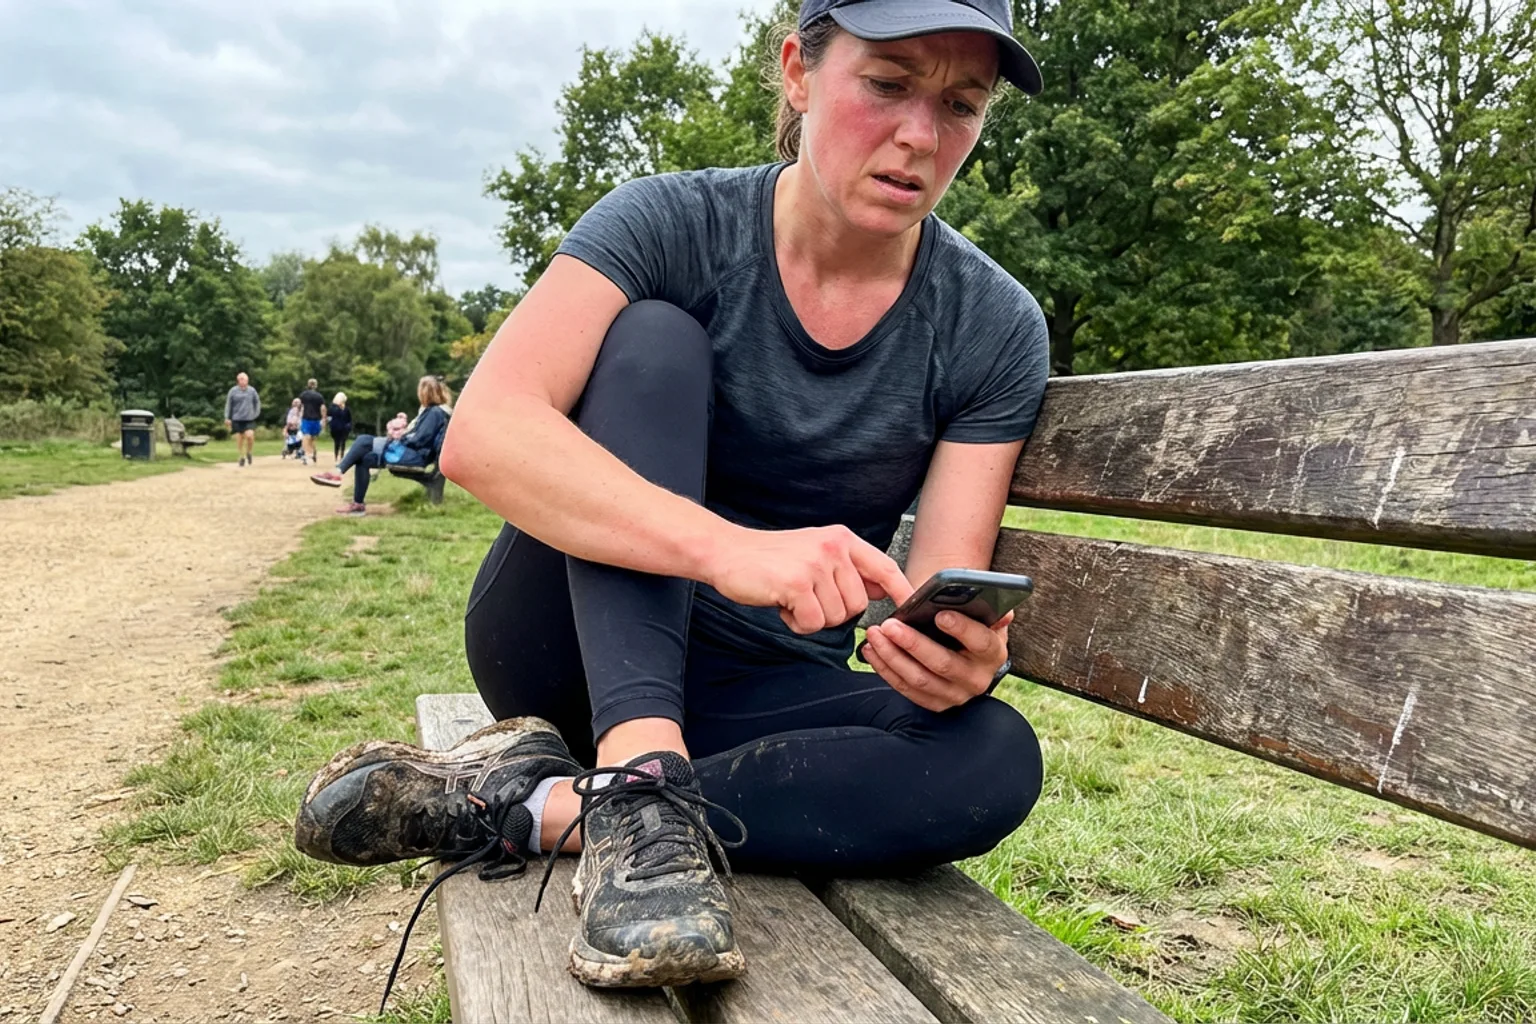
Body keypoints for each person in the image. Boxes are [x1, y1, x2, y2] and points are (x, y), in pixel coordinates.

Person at [296, 0, 1048, 998]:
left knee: (994, 755)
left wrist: (949, 659)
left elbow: (921, 597)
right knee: (652, 338)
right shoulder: (669, 221)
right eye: (887, 82)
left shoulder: (992, 325)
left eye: (962, 103)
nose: (921, 134)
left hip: (752, 687)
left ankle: (534, 806)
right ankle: (639, 767)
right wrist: (726, 550)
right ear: (797, 70)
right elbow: (486, 434)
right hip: (563, 639)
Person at [308, 376, 452, 515]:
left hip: (412, 455)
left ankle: (336, 473)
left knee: (363, 439)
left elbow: (420, 439)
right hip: (410, 452)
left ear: (426, 393)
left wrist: (400, 440)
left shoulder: (434, 413)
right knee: (363, 459)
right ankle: (357, 504)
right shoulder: (434, 412)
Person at [223, 372, 261, 467]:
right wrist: (227, 417)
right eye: (242, 379)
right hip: (237, 417)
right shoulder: (233, 391)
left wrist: (256, 413)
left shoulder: (252, 390)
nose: (244, 381)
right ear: (238, 380)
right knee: (240, 437)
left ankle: (249, 452)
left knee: (250, 436)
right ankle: (241, 456)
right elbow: (228, 404)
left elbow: (257, 402)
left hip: (249, 418)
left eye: (245, 379)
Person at [298, 378, 328, 465]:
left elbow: (300, 405)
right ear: (316, 385)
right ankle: (313, 452)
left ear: (308, 385)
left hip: (306, 418)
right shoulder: (319, 396)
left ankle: (306, 455)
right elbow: (323, 408)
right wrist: (324, 419)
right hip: (316, 419)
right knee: (312, 438)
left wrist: (299, 412)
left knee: (306, 436)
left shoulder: (303, 395)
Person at [328, 392, 352, 463]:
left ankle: (342, 456)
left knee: (343, 441)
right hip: (335, 427)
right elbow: (329, 416)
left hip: (344, 428)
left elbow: (349, 419)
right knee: (337, 442)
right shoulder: (333, 408)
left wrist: (349, 425)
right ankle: (336, 456)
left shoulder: (346, 409)